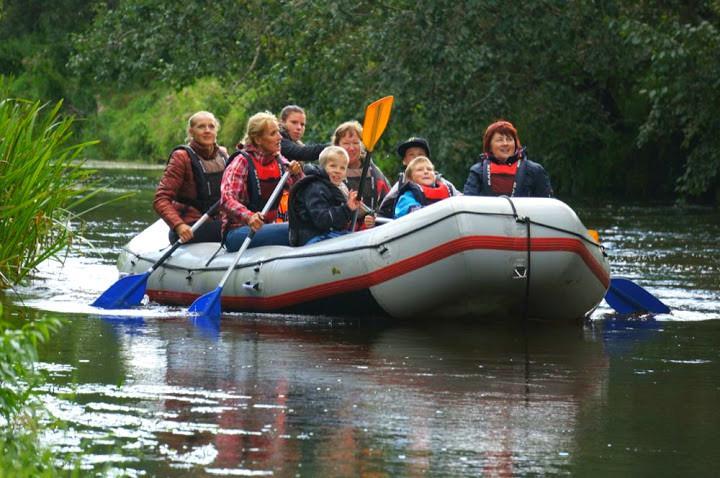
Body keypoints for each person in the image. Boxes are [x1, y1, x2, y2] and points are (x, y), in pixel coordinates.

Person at [220, 111, 304, 252]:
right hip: (238, 232)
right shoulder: (241, 162)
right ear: (258, 140)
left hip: (268, 226)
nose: (280, 137)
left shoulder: (279, 160)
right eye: (273, 134)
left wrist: (297, 174)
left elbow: (302, 191)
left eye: (278, 132)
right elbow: (226, 199)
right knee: (296, 230)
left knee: (305, 225)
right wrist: (249, 217)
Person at [153, 111, 229, 244]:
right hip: (190, 227)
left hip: (218, 222)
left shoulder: (223, 155)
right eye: (201, 127)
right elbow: (161, 199)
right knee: (234, 229)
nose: (207, 130)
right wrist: (179, 225)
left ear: (216, 131)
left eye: (211, 126)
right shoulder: (181, 157)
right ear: (191, 132)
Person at [288, 146, 365, 246]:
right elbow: (322, 220)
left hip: (329, 235)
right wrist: (347, 208)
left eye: (342, 168)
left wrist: (352, 208)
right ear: (323, 167)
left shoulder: (338, 188)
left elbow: (340, 219)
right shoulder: (315, 187)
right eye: (333, 166)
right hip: (313, 238)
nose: (338, 170)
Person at [463, 120, 553, 197]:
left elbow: (547, 205)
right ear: (489, 146)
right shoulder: (478, 171)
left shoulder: (534, 170)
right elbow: (467, 204)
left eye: (509, 139)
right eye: (500, 140)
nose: (505, 143)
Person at [332, 120, 389, 227]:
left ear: (362, 145)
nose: (351, 148)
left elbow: (388, 204)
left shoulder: (375, 174)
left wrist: (375, 218)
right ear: (337, 146)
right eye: (346, 143)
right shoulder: (329, 173)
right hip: (341, 234)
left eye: (355, 143)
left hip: (373, 232)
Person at [378, 136, 440, 218]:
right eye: (411, 155)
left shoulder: (441, 182)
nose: (416, 158)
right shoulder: (401, 187)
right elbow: (382, 213)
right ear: (404, 161)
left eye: (420, 154)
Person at [394, 156, 460, 218]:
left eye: (429, 169)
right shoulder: (407, 196)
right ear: (410, 178)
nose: (426, 172)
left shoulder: (449, 191)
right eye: (420, 170)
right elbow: (408, 212)